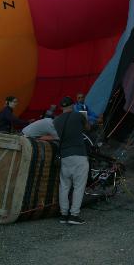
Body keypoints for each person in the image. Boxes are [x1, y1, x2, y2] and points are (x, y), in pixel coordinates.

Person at [54, 96, 89, 225]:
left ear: (61, 107)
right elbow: (88, 128)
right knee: (78, 186)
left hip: (64, 156)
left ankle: (63, 215)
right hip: (79, 154)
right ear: (73, 105)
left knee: (64, 186)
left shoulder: (56, 121)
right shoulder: (78, 115)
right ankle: (74, 215)